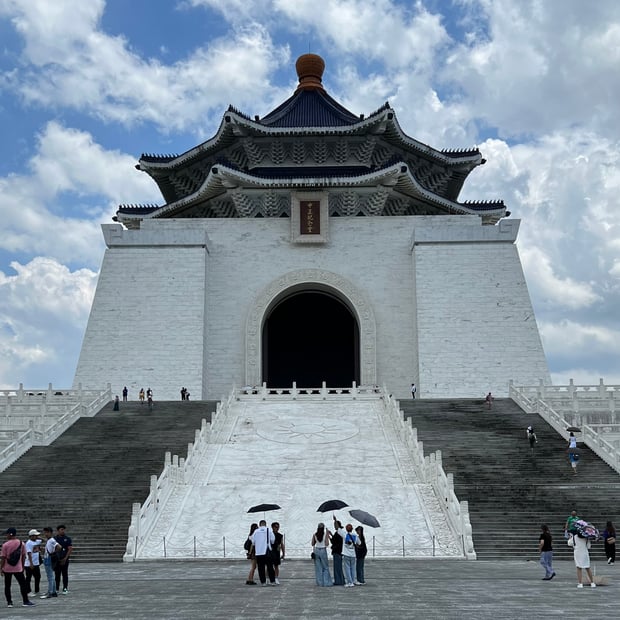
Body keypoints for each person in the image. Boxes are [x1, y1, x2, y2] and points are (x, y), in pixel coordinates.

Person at [1, 527, 34, 607]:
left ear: (10, 534)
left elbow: (3, 558)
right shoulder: (21, 543)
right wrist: (22, 566)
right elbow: (23, 556)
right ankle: (25, 601)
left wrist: (1, 568)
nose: (6, 535)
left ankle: (9, 602)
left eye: (7, 534)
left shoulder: (5, 545)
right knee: (22, 584)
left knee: (7, 585)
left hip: (7, 568)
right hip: (18, 568)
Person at [250, 520, 275, 586]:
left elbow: (253, 542)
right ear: (265, 524)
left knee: (261, 568)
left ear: (260, 524)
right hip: (267, 551)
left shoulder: (256, 531)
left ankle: (263, 582)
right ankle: (272, 581)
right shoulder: (269, 530)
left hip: (259, 552)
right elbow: (273, 540)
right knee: (270, 567)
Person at [335, 522, 360, 587]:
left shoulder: (345, 534)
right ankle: (353, 580)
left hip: (346, 554)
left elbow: (338, 529)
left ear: (346, 529)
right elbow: (359, 543)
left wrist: (335, 520)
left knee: (347, 569)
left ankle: (349, 582)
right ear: (352, 529)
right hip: (353, 554)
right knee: (353, 568)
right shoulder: (355, 536)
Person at [40, 527, 60, 599]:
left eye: (47, 532)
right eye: (45, 532)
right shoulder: (49, 540)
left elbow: (59, 547)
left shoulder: (51, 540)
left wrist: (53, 553)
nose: (46, 534)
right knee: (51, 576)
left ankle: (50, 592)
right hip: (47, 558)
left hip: (49, 559)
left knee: (50, 577)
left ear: (51, 533)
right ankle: (53, 592)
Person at [311, 522, 332, 587]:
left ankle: (320, 582)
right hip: (323, 550)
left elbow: (312, 543)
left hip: (317, 550)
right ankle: (326, 582)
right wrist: (327, 535)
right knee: (325, 567)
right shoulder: (325, 534)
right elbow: (327, 544)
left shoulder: (315, 534)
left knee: (318, 568)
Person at [54, 525, 73, 595]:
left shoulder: (67, 539)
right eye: (61, 529)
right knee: (57, 574)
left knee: (65, 574)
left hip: (65, 559)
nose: (63, 531)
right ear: (58, 530)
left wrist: (65, 558)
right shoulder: (55, 539)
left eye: (64, 529)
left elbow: (70, 548)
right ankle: (56, 588)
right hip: (57, 559)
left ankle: (65, 588)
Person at [24, 529, 42, 596]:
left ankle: (37, 590)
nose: (37, 537)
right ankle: (28, 591)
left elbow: (44, 540)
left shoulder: (37, 541)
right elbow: (29, 554)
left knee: (38, 577)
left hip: (36, 563)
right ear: (31, 536)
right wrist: (31, 563)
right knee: (28, 577)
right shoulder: (28, 543)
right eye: (35, 535)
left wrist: (39, 537)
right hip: (29, 564)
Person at [330, 519, 344, 586]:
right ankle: (341, 580)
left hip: (337, 551)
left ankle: (338, 581)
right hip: (339, 552)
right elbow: (334, 541)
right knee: (338, 567)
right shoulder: (338, 533)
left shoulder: (339, 532)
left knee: (337, 567)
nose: (334, 526)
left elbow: (335, 542)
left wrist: (335, 519)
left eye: (335, 525)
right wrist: (331, 535)